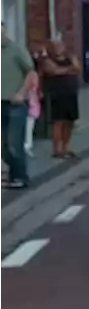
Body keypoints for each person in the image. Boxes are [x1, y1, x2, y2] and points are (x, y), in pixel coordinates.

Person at [0, 22, 35, 188]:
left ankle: (20, 177)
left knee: (14, 142)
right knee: (2, 144)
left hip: (15, 104)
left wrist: (22, 93)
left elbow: (31, 72)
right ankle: (13, 175)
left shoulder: (17, 50)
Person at [41, 37, 82, 159]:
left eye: (60, 45)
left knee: (70, 121)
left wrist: (66, 69)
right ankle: (57, 149)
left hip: (71, 93)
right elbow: (54, 71)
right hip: (57, 95)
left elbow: (78, 68)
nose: (58, 48)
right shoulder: (47, 60)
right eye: (55, 46)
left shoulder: (70, 57)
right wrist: (69, 69)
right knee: (58, 122)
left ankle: (66, 146)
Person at [23, 49, 42, 156]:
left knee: (27, 126)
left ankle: (26, 145)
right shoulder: (34, 75)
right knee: (29, 127)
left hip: (29, 101)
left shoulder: (27, 74)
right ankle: (27, 145)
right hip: (32, 102)